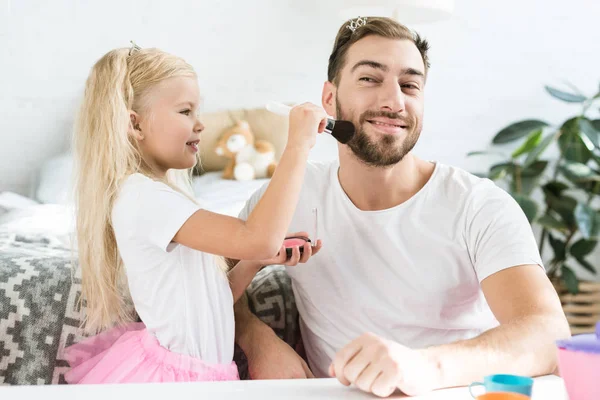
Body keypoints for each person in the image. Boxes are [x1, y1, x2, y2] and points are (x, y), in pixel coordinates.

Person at [233, 17, 570, 397]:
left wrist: (423, 366)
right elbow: (209, 282)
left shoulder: (478, 205)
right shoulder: (289, 195)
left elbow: (548, 333)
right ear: (329, 99)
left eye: (409, 85)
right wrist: (254, 335)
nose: (394, 101)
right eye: (369, 79)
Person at [64, 43, 324, 384]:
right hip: (177, 382)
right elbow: (257, 237)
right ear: (135, 124)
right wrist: (296, 145)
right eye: (186, 111)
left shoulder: (159, 197)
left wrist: (255, 262)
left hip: (205, 374)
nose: (200, 125)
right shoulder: (145, 197)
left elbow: (209, 306)